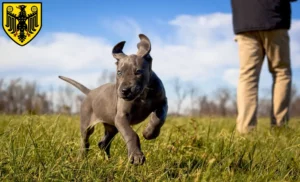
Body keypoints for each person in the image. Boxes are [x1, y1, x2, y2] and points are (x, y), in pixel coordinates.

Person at [231, 0, 297, 134]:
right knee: (281, 72)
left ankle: (245, 130)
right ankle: (280, 128)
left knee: (248, 76)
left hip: (245, 18)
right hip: (274, 17)